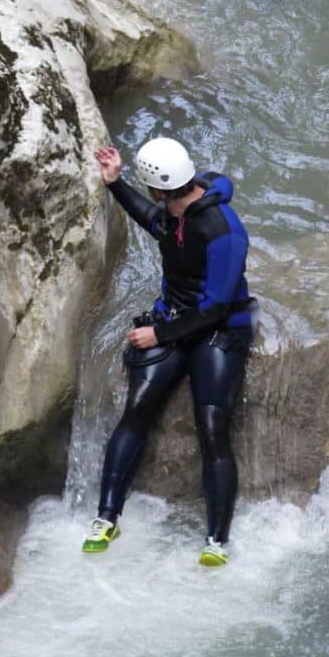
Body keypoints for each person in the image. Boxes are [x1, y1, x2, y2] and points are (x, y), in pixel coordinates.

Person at [83, 137, 256, 567]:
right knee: (136, 409)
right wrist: (115, 183)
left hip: (219, 327)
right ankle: (107, 517)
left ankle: (216, 540)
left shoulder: (223, 231)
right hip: (176, 319)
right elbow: (154, 222)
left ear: (160, 189)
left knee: (213, 427)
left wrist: (159, 337)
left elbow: (215, 308)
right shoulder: (176, 213)